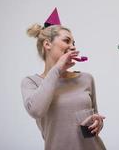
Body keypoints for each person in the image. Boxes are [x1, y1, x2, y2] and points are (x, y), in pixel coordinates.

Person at [21, 8, 106, 150]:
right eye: (67, 41)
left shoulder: (86, 79)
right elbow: (37, 111)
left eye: (74, 43)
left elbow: (95, 117)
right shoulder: (31, 83)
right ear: (47, 44)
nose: (72, 47)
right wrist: (58, 68)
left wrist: (98, 123)